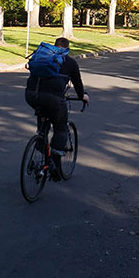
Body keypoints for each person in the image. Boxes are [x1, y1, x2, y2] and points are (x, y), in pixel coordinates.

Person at [25, 37, 89, 180]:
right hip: (53, 99)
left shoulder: (42, 58)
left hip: (31, 96)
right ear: (67, 49)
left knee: (43, 121)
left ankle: (40, 142)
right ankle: (53, 161)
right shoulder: (70, 62)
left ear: (54, 47)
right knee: (61, 128)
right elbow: (77, 83)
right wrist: (82, 96)